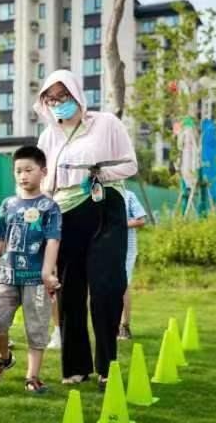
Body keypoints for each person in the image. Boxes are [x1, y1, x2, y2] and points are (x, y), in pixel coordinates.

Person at [35, 69, 138, 391]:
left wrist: (97, 173)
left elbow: (130, 164)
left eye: (63, 96)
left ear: (76, 94)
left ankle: (107, 366)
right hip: (64, 213)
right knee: (69, 292)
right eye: (51, 99)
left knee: (106, 287)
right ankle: (76, 367)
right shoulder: (48, 137)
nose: (58, 103)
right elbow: (43, 180)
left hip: (104, 206)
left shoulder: (106, 123)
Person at [0, 146, 61, 393]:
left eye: (29, 170)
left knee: (36, 328)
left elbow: (53, 240)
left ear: (43, 172)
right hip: (7, 276)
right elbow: (0, 237)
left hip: (36, 280)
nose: (23, 175)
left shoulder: (49, 207)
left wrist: (47, 273)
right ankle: (3, 358)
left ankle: (32, 377)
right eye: (18, 171)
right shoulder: (8, 204)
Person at [119, 189, 147, 340]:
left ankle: (124, 326)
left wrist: (119, 224)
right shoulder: (98, 194)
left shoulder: (128, 195)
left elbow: (141, 220)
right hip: (104, 248)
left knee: (123, 285)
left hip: (126, 249)